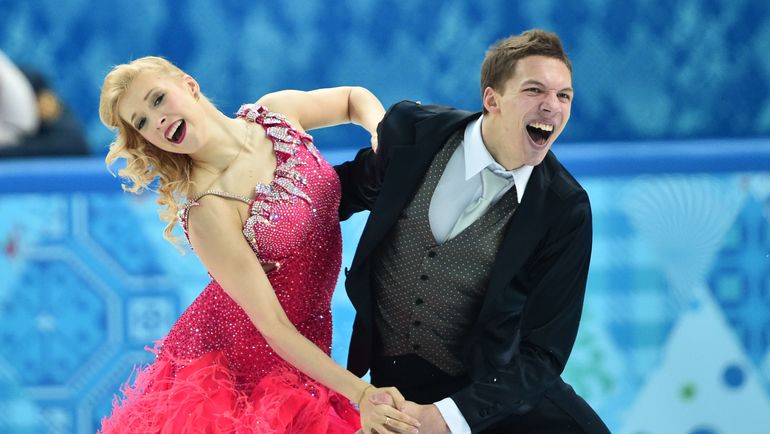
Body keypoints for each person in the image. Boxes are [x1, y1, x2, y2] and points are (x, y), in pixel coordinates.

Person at [97, 56, 421, 434]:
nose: (157, 121)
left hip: (306, 345)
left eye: (157, 100)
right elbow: (273, 326)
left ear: (189, 84)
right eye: (142, 123)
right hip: (244, 369)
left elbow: (353, 98)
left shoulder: (274, 115)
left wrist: (380, 133)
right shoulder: (208, 211)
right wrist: (363, 395)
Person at [335, 30, 611, 433]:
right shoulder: (413, 132)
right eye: (535, 90)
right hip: (397, 388)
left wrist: (447, 418)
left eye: (564, 96)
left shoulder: (564, 209)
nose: (552, 106)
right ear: (492, 99)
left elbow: (543, 353)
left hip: (502, 404)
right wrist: (257, 221)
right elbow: (335, 195)